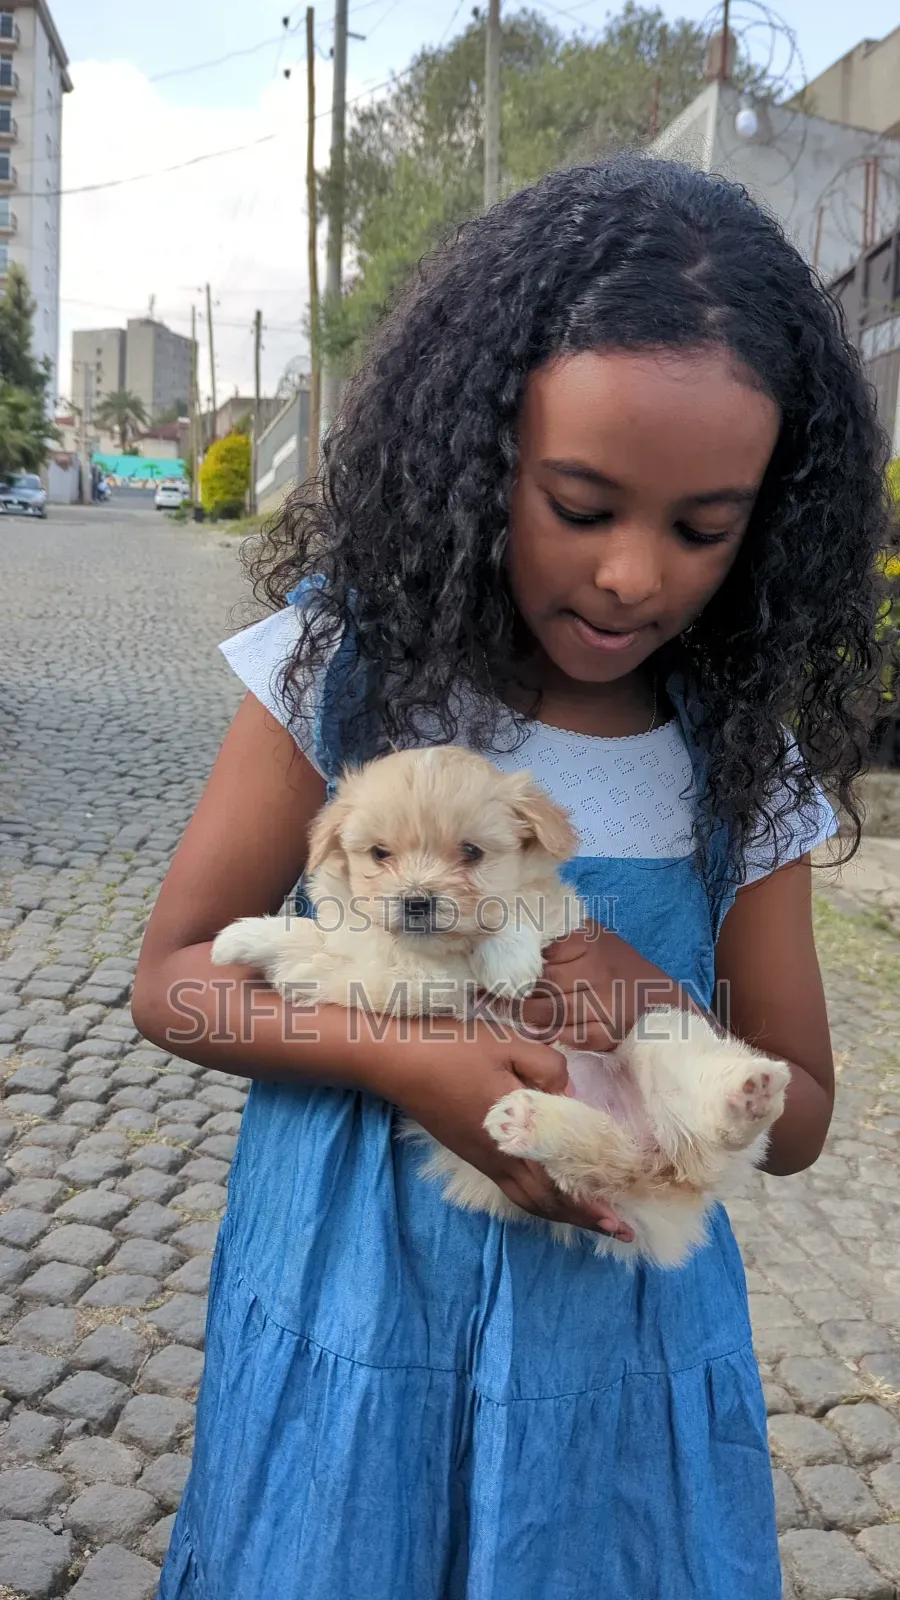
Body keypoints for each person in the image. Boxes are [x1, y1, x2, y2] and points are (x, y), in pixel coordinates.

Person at [132, 155, 890, 1599]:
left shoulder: (739, 765)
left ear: (770, 524)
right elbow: (172, 983)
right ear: (484, 456)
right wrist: (410, 1065)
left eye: (700, 529)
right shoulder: (339, 678)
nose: (629, 576)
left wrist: (667, 1003)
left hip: (612, 1371)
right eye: (583, 504)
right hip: (350, 1320)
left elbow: (796, 1120)